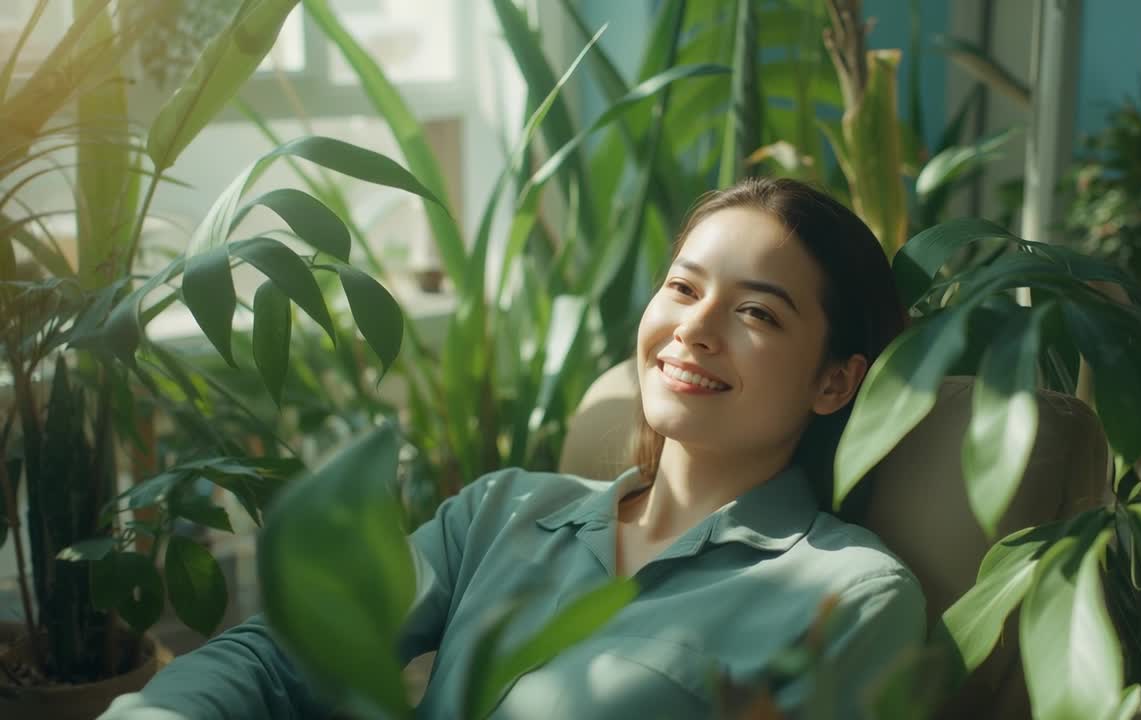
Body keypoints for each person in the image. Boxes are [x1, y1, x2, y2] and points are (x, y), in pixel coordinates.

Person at [100, 177, 925, 719]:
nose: (695, 328)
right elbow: (289, 654)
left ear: (835, 383)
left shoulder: (851, 596)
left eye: (758, 314)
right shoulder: (504, 511)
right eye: (682, 286)